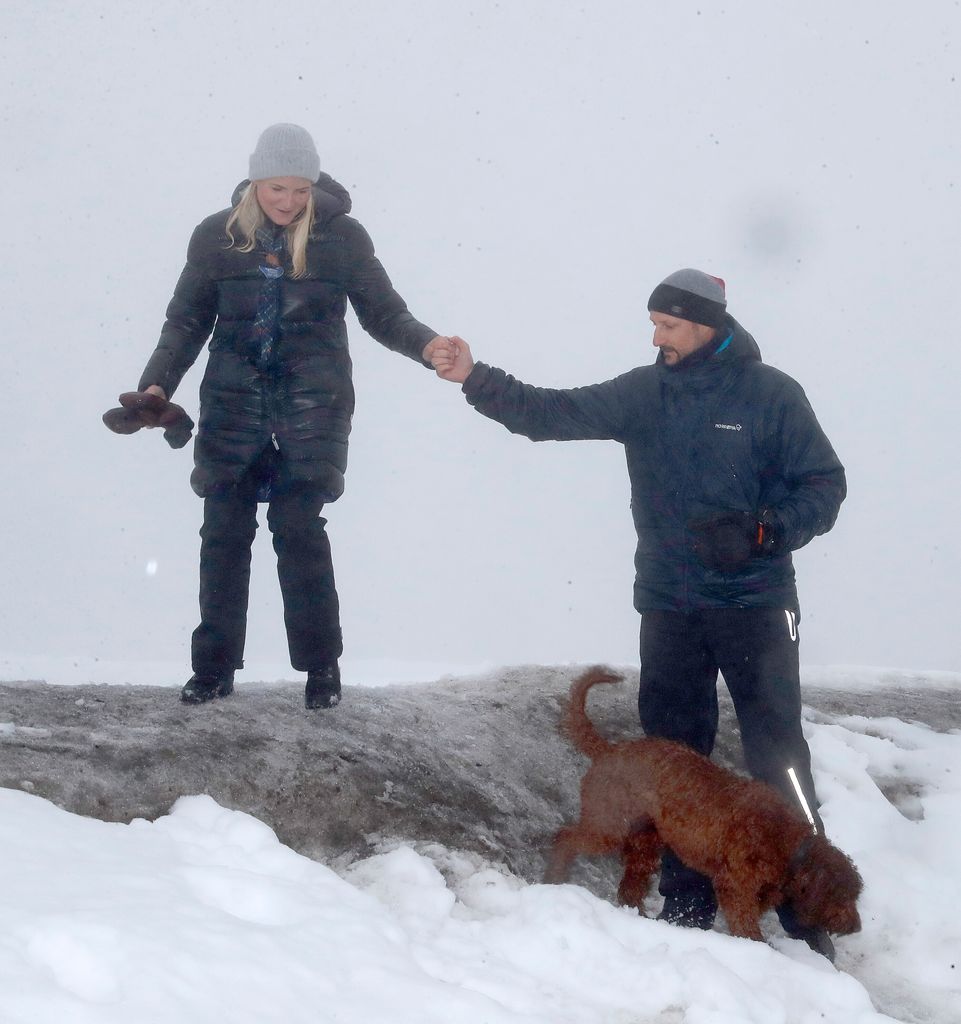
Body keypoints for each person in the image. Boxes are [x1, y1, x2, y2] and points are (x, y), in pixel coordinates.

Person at [424, 269, 847, 958]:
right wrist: (476, 377)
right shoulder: (643, 392)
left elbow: (824, 484)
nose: (656, 336)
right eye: (653, 323)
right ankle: (685, 900)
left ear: (708, 324)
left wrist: (764, 531)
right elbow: (546, 413)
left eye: (669, 324)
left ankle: (807, 910)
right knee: (674, 761)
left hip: (755, 605)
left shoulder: (771, 394)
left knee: (778, 755)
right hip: (670, 605)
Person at [130, 123, 447, 710]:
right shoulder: (216, 238)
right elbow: (184, 324)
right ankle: (213, 669)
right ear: (255, 181)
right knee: (223, 535)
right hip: (231, 410)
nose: (288, 201)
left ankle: (322, 669)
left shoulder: (342, 237)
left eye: (300, 189)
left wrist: (428, 347)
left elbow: (384, 312)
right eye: (277, 187)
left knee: (299, 533)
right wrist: (156, 384)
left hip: (311, 413)